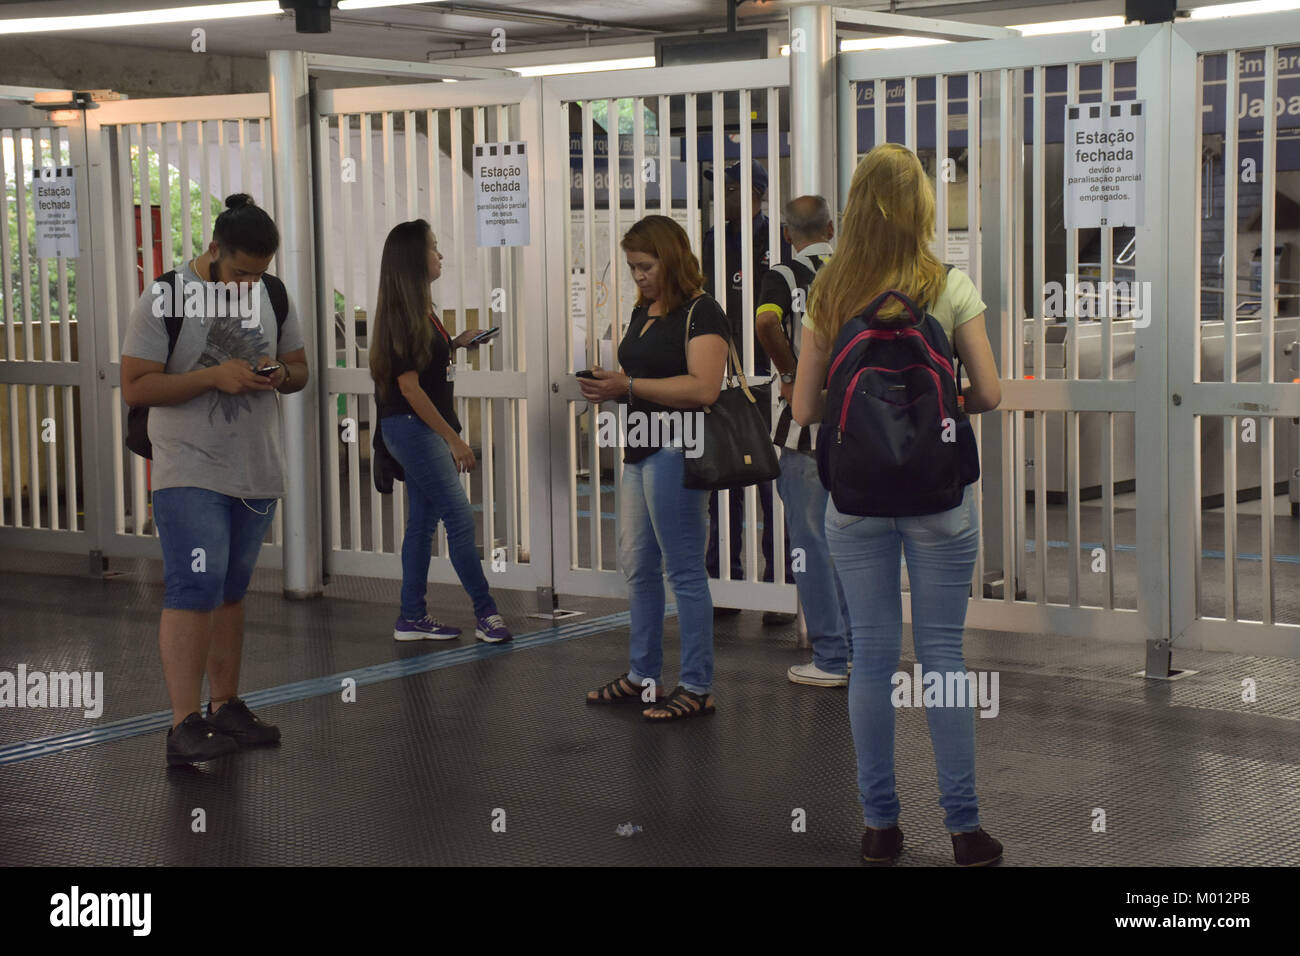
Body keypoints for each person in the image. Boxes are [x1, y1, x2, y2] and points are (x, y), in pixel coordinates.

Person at [792, 144, 1004, 866]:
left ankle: (880, 826)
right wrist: (935, 408)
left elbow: (804, 406)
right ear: (922, 206)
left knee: (873, 657)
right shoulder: (948, 284)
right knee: (943, 654)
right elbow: (992, 392)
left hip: (855, 498)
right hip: (939, 494)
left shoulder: (829, 292)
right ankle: (965, 829)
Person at [121, 194, 309, 766]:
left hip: (255, 465)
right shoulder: (166, 295)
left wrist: (278, 375)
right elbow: (136, 386)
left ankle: (225, 704)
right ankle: (183, 721)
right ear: (213, 251)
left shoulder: (272, 294)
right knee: (194, 588)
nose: (250, 282)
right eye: (241, 272)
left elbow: (300, 369)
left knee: (230, 591)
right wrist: (213, 378)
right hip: (189, 467)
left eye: (259, 273)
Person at [580, 214, 729, 721]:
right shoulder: (644, 309)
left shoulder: (703, 311)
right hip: (641, 448)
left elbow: (704, 388)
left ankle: (697, 684)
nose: (638, 276)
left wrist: (628, 387)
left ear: (671, 257)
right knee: (638, 567)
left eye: (645, 266)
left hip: (678, 449)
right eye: (632, 267)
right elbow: (641, 373)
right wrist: (615, 381)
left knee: (684, 571)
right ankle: (644, 675)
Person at [369, 220, 513, 646]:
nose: (440, 255)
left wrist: (457, 344)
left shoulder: (419, 309)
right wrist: (453, 440)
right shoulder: (402, 312)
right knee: (459, 518)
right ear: (415, 258)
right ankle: (486, 613)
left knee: (423, 524)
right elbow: (407, 387)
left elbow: (422, 362)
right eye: (434, 248)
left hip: (416, 427)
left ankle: (411, 616)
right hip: (414, 429)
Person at [754, 194, 852, 687]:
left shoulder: (785, 275)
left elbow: (765, 322)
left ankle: (831, 656)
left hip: (803, 430)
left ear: (788, 235)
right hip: (858, 426)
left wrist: (790, 372)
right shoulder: (856, 272)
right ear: (832, 229)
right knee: (855, 540)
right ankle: (857, 649)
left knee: (810, 542)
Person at [701, 159, 793, 620]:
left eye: (732, 187)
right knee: (726, 477)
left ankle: (782, 581)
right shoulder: (714, 240)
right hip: (723, 376)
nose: (724, 195)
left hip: (770, 377)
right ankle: (725, 577)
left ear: (756, 192)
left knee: (770, 481)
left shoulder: (776, 239)